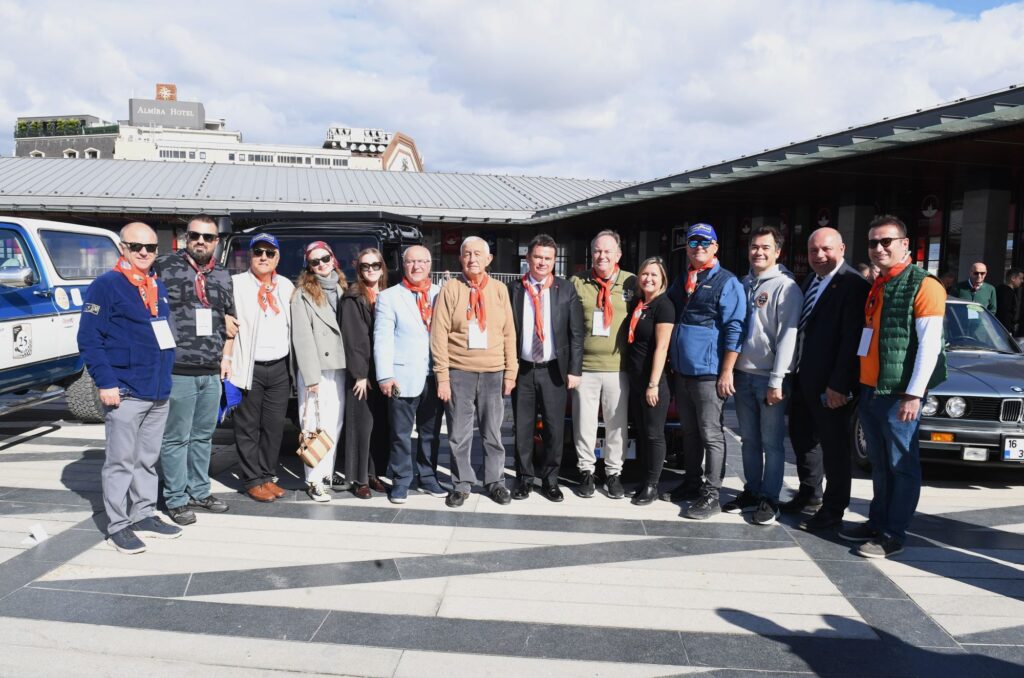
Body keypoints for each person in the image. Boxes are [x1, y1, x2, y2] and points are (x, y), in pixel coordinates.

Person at [840, 215, 946, 559]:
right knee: (880, 464)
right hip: (872, 389)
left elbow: (930, 346)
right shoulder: (881, 282)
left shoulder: (924, 284)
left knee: (902, 464)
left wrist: (914, 394)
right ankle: (878, 521)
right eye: (873, 242)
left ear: (905, 244)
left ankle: (893, 533)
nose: (879, 248)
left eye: (887, 241)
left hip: (899, 393)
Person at [78, 221, 180, 553]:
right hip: (124, 390)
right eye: (137, 247)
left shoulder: (155, 284)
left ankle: (144, 514)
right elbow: (90, 340)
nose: (145, 253)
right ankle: (119, 524)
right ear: (123, 248)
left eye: (151, 248)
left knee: (147, 460)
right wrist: (106, 382)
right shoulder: (106, 286)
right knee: (121, 461)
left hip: (157, 390)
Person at [785, 227, 870, 531]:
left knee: (834, 449)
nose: (819, 256)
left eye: (826, 249)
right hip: (802, 380)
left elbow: (851, 340)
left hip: (831, 385)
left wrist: (840, 385)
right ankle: (809, 494)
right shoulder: (813, 279)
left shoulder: (853, 284)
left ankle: (834, 509)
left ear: (842, 249)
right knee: (802, 439)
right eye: (813, 251)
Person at [660, 223, 745, 520]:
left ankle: (712, 494)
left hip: (708, 373)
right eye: (693, 241)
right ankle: (692, 482)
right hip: (682, 371)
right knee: (690, 433)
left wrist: (727, 371)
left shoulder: (727, 282)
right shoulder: (683, 279)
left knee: (711, 434)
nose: (698, 246)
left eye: (705, 242)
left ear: (716, 247)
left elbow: (735, 327)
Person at [155, 214, 234, 526]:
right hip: (178, 367)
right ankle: (176, 498)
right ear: (186, 237)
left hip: (211, 369)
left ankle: (200, 490)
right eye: (195, 235)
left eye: (208, 237)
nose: (201, 241)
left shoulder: (224, 276)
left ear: (216, 242)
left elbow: (231, 322)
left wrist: (226, 359)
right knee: (176, 437)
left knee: (204, 435)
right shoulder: (165, 267)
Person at [431, 236, 517, 508]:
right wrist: (442, 377)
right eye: (467, 254)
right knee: (459, 433)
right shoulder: (451, 289)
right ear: (460, 259)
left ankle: (495, 482)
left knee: (493, 433)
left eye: (478, 254)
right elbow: (439, 335)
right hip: (460, 373)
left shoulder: (500, 290)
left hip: (493, 373)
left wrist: (511, 372)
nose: (472, 259)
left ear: (489, 259)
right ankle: (461, 483)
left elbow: (509, 334)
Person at [727, 226, 802, 526]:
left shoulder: (786, 287)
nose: (759, 252)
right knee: (749, 441)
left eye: (765, 247)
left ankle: (770, 498)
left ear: (777, 251)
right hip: (743, 375)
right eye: (754, 247)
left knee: (772, 444)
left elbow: (788, 337)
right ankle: (752, 490)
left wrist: (777, 380)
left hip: (770, 378)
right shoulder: (745, 283)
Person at [507, 234, 584, 502]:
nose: (542, 262)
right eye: (537, 257)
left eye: (547, 258)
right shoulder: (514, 289)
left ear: (554, 261)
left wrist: (575, 370)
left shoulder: (566, 289)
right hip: (524, 369)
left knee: (554, 428)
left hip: (554, 371)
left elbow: (576, 333)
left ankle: (550, 480)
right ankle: (525, 478)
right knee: (523, 427)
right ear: (528, 258)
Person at [375, 245, 448, 503]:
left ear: (430, 264)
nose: (417, 266)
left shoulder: (443, 294)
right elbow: (382, 339)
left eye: (422, 261)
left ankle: (428, 477)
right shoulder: (389, 297)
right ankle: (401, 480)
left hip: (435, 375)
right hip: (402, 375)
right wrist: (385, 375)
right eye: (411, 262)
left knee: (431, 433)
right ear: (403, 265)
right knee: (400, 434)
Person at [225, 234, 294, 503]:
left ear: (277, 257)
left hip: (278, 366)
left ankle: (267, 475)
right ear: (250, 256)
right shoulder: (236, 284)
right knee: (248, 426)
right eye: (258, 252)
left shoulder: (286, 286)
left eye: (269, 252)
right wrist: (224, 318)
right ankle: (252, 479)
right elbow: (219, 309)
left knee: (274, 426)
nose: (263, 257)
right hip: (248, 366)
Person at [570, 230, 637, 499]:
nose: (602, 256)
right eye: (597, 250)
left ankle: (614, 473)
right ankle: (586, 471)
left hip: (618, 368)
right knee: (584, 423)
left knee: (616, 423)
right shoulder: (578, 282)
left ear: (618, 254)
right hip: (585, 367)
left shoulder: (632, 282)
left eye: (608, 251)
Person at [290, 241, 347, 502]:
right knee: (312, 424)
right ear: (309, 266)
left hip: (340, 366)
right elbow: (302, 338)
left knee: (334, 423)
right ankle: (313, 478)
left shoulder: (341, 288)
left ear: (333, 258)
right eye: (315, 261)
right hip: (317, 369)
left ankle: (327, 472)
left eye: (325, 258)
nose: (322, 264)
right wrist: (311, 377)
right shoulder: (302, 293)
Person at [623, 257, 674, 505]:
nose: (648, 279)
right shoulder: (639, 303)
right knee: (642, 433)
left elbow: (662, 348)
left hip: (653, 383)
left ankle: (653, 485)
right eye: (644, 274)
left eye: (654, 275)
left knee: (654, 434)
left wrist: (653, 384)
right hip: (635, 380)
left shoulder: (664, 306)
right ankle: (645, 480)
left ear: (663, 278)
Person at [341, 247, 391, 499]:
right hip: (363, 373)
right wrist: (360, 374)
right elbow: (353, 339)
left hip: (383, 372)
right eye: (365, 266)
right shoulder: (353, 296)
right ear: (358, 269)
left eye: (375, 265)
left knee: (380, 426)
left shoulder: (388, 294)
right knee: (361, 426)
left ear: (382, 267)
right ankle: (358, 478)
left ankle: (373, 474)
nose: (370, 270)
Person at [996, 267, 1023, 336]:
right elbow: (1005, 313)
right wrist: (1008, 330)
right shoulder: (1008, 293)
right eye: (1020, 278)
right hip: (1005, 330)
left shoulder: (999, 289)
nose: (1022, 281)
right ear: (1013, 278)